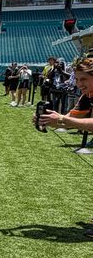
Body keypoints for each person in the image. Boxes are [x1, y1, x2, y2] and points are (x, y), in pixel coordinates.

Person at [35, 59, 93, 238]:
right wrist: (49, 120)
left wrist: (63, 120)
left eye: (83, 79)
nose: (78, 84)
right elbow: (69, 119)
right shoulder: (87, 96)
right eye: (76, 79)